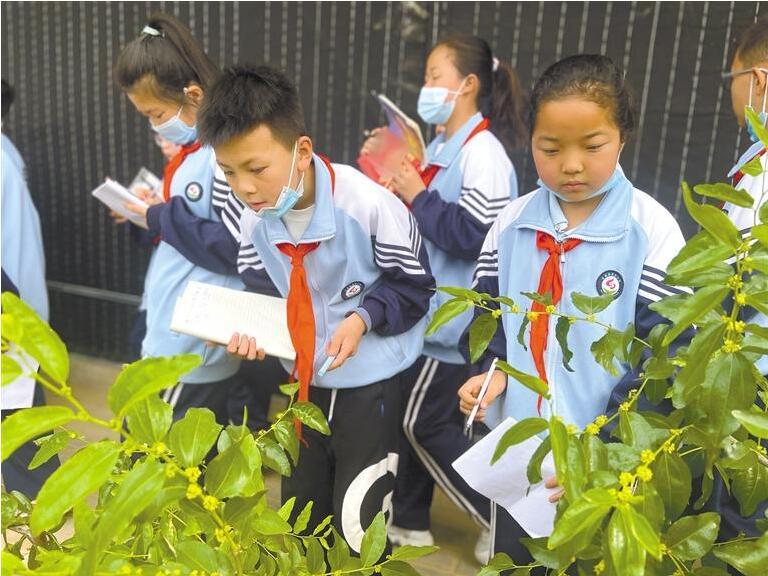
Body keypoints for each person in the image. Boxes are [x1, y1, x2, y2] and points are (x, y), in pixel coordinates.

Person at [128, 64, 436, 555]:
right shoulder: (256, 223)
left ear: (302, 151)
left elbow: (417, 287)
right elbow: (263, 293)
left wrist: (362, 318)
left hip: (369, 384)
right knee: (299, 515)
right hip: (302, 388)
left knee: (360, 517)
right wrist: (243, 329)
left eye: (256, 168)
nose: (245, 188)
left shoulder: (368, 206)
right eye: (228, 173)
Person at [457, 54, 686, 561]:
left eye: (592, 145)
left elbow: (665, 358)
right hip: (521, 457)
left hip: (606, 464)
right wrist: (491, 373)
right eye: (551, 148)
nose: (572, 164)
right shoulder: (511, 224)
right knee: (517, 561)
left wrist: (603, 449)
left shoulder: (651, 230)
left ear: (623, 136)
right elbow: (488, 319)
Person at [361, 35, 526, 561]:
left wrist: (416, 193)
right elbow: (429, 223)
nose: (427, 87)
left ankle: (503, 519)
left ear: (468, 85)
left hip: (453, 321)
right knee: (408, 422)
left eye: (436, 76)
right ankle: (409, 522)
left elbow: (476, 235)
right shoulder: (438, 148)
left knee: (421, 422)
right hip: (427, 314)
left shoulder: (485, 156)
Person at [113, 13, 245, 424]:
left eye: (155, 114)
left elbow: (236, 245)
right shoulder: (198, 154)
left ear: (192, 96)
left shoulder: (221, 157)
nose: (155, 126)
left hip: (187, 349)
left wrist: (158, 215)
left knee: (152, 467)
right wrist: (156, 215)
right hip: (181, 340)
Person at [1, 78, 60, 498]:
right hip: (18, 296)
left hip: (11, 302)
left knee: (17, 408)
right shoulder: (8, 151)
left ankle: (44, 500)